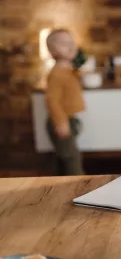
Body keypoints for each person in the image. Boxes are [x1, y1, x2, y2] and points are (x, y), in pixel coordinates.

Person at [44, 28, 86, 175]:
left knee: (64, 156)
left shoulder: (68, 70)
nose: (70, 46)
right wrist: (61, 121)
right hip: (62, 120)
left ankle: (60, 186)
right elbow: (52, 100)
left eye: (71, 42)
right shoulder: (56, 73)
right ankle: (79, 185)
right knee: (72, 158)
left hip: (70, 119)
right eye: (63, 43)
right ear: (52, 51)